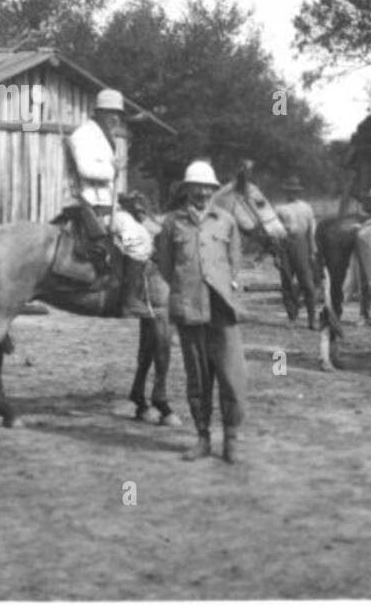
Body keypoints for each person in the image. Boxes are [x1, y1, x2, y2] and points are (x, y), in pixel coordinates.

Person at [154, 160, 248, 463]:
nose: (203, 193)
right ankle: (203, 437)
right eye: (197, 188)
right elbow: (166, 267)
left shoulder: (226, 221)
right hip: (189, 308)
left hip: (222, 309)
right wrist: (186, 289)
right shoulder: (172, 224)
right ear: (187, 191)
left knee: (232, 377)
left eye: (208, 188)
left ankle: (231, 439)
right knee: (198, 378)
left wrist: (223, 284)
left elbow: (234, 261)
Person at [63, 89, 152, 278]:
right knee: (138, 241)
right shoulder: (83, 135)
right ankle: (129, 301)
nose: (116, 118)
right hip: (93, 205)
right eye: (112, 113)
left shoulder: (105, 137)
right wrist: (114, 169)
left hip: (108, 203)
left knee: (146, 228)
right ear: (99, 112)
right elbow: (86, 169)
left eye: (119, 114)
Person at [273, 176, 318, 328]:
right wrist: (276, 254)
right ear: (285, 191)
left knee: (307, 283)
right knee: (286, 281)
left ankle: (312, 319)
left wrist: (313, 250)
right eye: (289, 191)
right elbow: (275, 232)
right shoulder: (279, 208)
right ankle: (292, 316)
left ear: (298, 192)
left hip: (302, 244)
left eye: (294, 191)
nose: (291, 194)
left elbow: (312, 230)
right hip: (284, 244)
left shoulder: (306, 207)